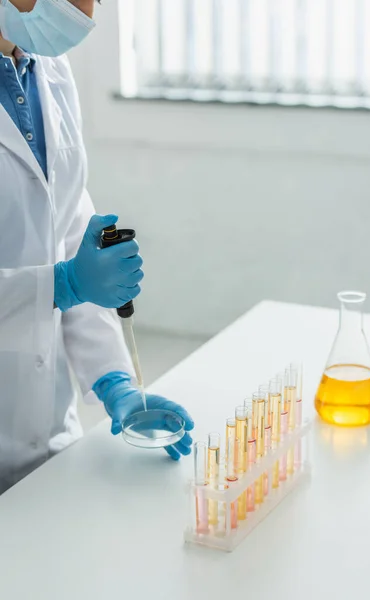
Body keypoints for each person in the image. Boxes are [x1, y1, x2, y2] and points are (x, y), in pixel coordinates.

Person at [0, 0, 193, 494]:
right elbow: (67, 277)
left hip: (47, 444)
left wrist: (114, 382)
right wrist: (60, 285)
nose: (84, 10)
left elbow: (68, 237)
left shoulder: (50, 74)